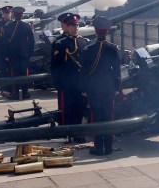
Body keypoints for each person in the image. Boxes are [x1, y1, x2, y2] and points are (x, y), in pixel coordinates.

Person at [80, 16, 121, 156]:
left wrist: (84, 89)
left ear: (96, 31)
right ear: (107, 32)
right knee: (108, 116)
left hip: (93, 88)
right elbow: (117, 71)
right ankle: (108, 147)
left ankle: (99, 147)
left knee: (96, 117)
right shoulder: (113, 49)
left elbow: (84, 72)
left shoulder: (88, 49)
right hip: (109, 88)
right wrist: (117, 88)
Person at [51, 13, 89, 127]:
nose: (75, 28)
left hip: (80, 83)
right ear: (67, 27)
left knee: (80, 108)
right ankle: (67, 132)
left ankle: (78, 133)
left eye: (77, 25)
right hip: (67, 83)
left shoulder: (84, 42)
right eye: (72, 25)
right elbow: (55, 65)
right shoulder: (60, 43)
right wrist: (57, 83)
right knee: (67, 109)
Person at [2, 6, 35, 100]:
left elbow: (4, 42)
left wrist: (6, 54)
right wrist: (30, 53)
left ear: (13, 14)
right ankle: (25, 93)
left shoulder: (8, 26)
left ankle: (15, 93)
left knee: (14, 74)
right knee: (25, 74)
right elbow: (31, 41)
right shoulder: (27, 26)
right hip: (25, 54)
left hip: (13, 54)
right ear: (22, 15)